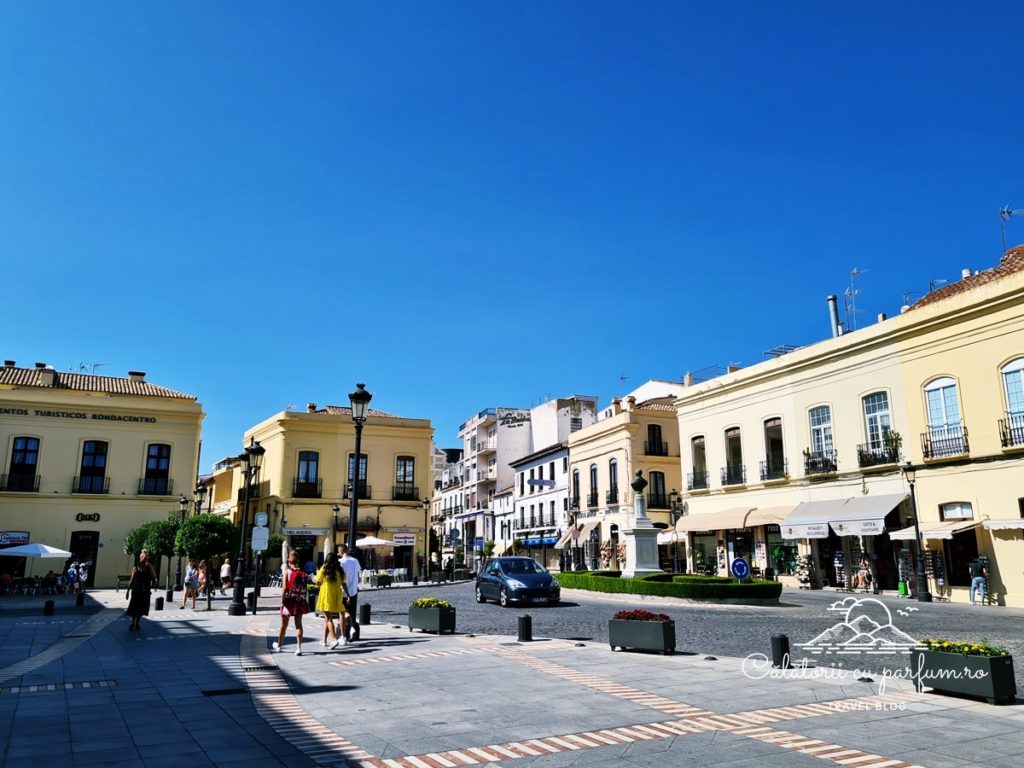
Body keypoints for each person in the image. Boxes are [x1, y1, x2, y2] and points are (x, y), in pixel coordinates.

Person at [274, 551, 309, 655]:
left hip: (288, 601)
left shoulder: (286, 572)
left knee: (284, 624)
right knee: (298, 625)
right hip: (299, 601)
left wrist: (282, 601)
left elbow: (285, 587)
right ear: (297, 561)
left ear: (289, 561)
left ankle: (279, 645)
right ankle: (298, 648)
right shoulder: (303, 573)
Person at [313, 552, 348, 649]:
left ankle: (333, 639)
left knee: (328, 619)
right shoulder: (340, 570)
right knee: (327, 619)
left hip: (326, 596)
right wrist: (348, 595)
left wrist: (314, 578)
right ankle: (323, 640)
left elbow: (317, 582)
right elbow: (344, 584)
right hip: (336, 596)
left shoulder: (324, 569)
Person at [126, 549, 158, 631]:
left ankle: (135, 623)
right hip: (139, 590)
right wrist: (128, 591)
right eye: (145, 557)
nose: (146, 558)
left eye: (146, 557)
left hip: (143, 590)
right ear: (141, 558)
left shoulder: (147, 566)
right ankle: (135, 623)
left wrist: (128, 591)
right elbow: (132, 580)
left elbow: (154, 576)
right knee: (137, 608)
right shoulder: (136, 568)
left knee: (139, 608)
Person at [339, 545, 362, 641]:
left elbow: (339, 577)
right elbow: (358, 575)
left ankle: (348, 630)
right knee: (351, 611)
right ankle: (352, 628)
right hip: (353, 590)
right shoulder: (355, 561)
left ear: (341, 552)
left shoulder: (340, 562)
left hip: (343, 590)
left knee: (343, 612)